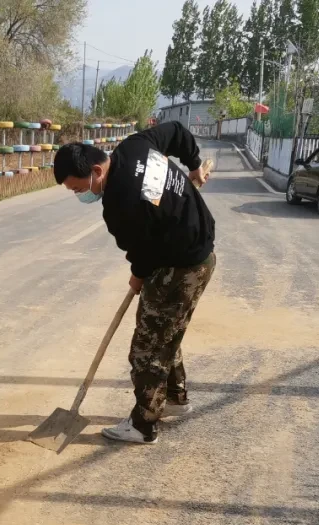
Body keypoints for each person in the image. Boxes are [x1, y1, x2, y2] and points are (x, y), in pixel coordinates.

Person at [52, 121, 216, 445]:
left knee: (147, 347)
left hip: (180, 265)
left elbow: (143, 252)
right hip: (200, 252)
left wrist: (138, 274)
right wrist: (194, 165)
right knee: (164, 329)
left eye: (78, 188)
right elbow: (178, 132)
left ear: (97, 171)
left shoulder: (118, 203)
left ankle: (144, 425)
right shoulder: (135, 146)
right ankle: (174, 398)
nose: (79, 194)